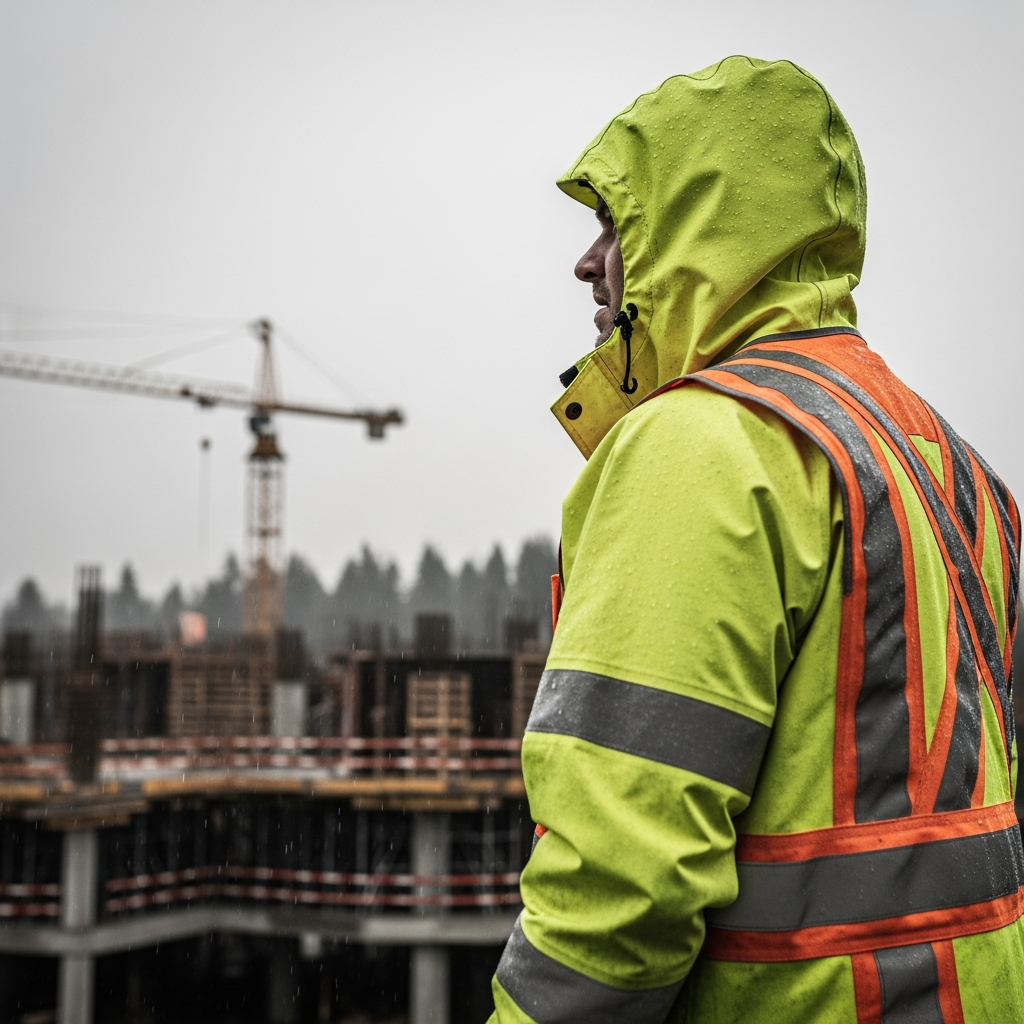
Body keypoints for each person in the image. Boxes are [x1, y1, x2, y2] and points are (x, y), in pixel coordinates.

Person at [488, 56, 1024, 1023]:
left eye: (615, 224)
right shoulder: (948, 462)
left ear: (696, 234)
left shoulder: (701, 446)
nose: (587, 261)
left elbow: (623, 884)